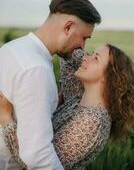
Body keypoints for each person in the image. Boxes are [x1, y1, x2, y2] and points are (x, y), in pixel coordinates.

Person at [0, 0, 101, 170]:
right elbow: (38, 156)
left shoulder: (13, 47)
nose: (83, 47)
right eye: (84, 38)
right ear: (68, 27)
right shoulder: (36, 69)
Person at [0, 44, 134, 170]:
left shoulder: (91, 122)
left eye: (95, 58)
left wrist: (5, 117)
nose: (86, 57)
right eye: (91, 54)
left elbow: (37, 163)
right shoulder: (78, 97)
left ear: (109, 78)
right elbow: (69, 54)